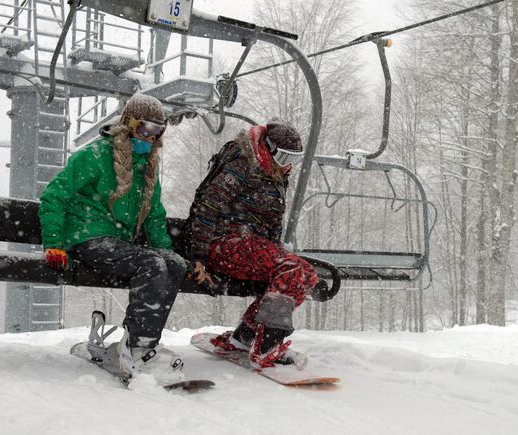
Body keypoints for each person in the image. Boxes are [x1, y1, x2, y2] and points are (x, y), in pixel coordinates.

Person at [38, 93, 186, 382]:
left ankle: (143, 342)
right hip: (86, 237)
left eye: (158, 132)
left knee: (173, 265)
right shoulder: (95, 156)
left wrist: (169, 254)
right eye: (146, 129)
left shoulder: (148, 169)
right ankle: (138, 347)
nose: (151, 138)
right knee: (152, 265)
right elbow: (54, 195)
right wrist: (54, 243)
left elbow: (154, 216)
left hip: (117, 243)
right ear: (129, 124)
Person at [186, 120, 319, 369]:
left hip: (250, 245)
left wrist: (275, 253)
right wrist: (199, 256)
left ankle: (244, 338)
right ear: (268, 148)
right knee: (294, 270)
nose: (289, 164)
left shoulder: (275, 174)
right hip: (224, 242)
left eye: (296, 159)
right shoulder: (243, 164)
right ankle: (267, 346)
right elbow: (209, 205)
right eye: (284, 156)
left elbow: (270, 222)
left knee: (305, 276)